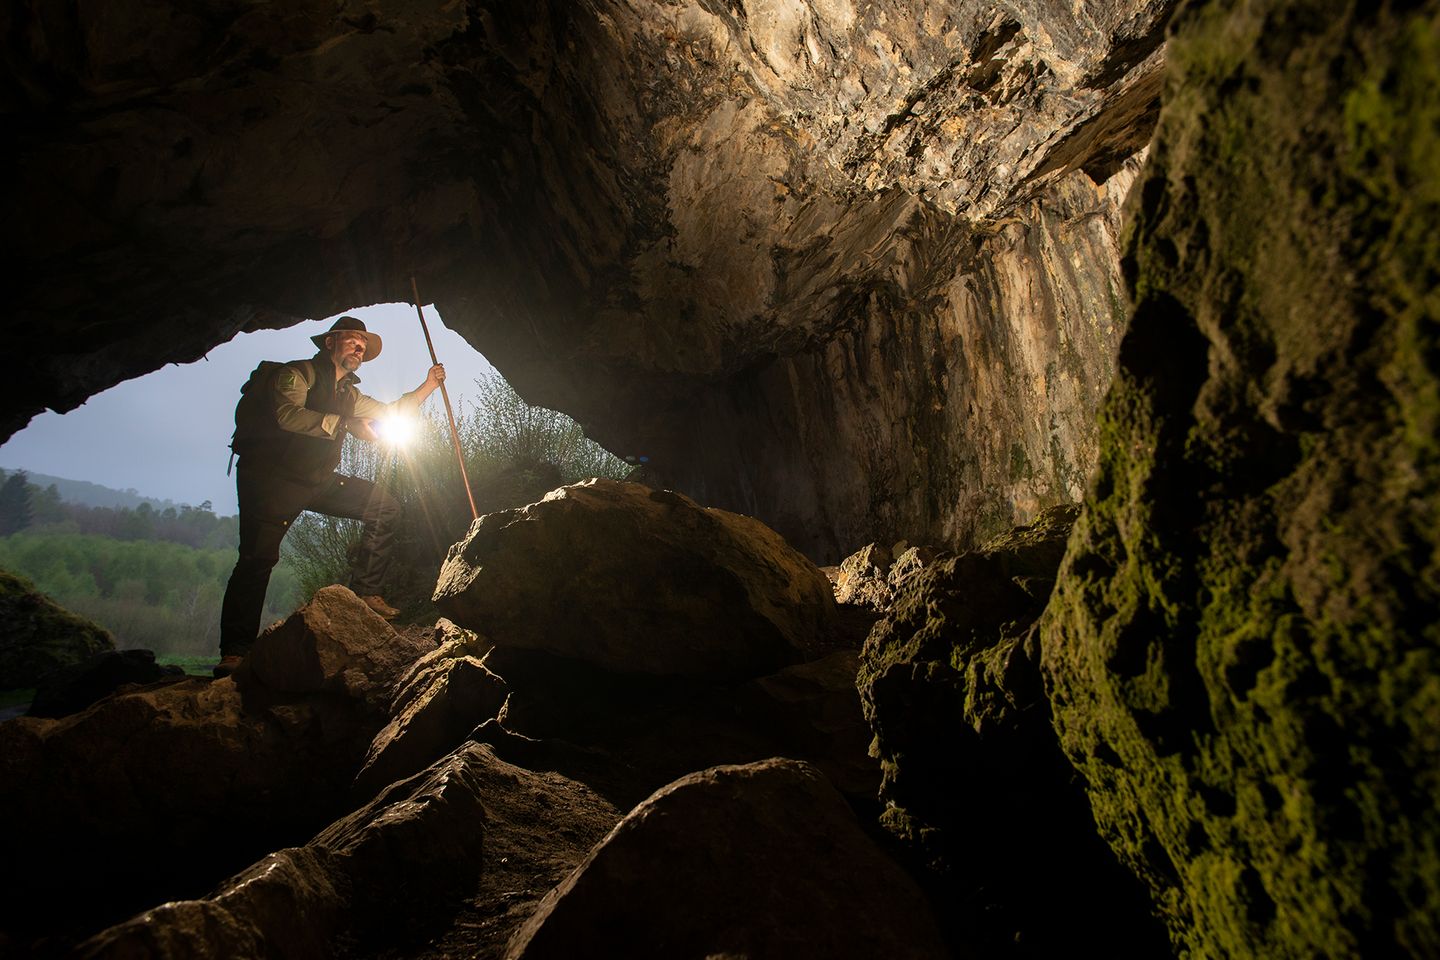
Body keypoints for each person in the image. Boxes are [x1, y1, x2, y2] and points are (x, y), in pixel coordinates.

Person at [214, 316, 445, 677]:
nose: (359, 348)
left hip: (315, 479)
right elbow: (288, 416)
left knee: (384, 505)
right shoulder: (296, 374)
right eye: (354, 341)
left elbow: (388, 412)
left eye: (364, 347)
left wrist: (428, 385)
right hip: (271, 481)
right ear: (330, 343)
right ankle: (235, 652)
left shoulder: (349, 394)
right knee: (256, 560)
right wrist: (343, 424)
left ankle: (365, 594)